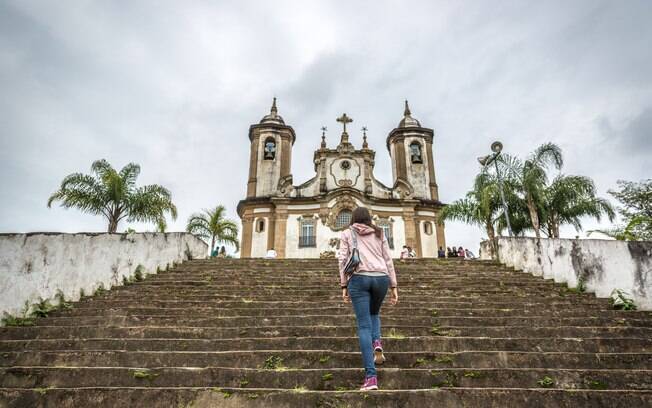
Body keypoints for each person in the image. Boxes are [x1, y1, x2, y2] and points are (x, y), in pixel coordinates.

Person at [338, 207, 398, 391]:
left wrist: (344, 285)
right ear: (369, 218)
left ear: (353, 218)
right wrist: (394, 285)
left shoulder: (347, 233)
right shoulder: (379, 232)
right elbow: (388, 259)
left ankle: (371, 378)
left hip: (359, 277)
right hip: (381, 278)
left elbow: (342, 259)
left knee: (364, 326)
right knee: (374, 313)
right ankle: (377, 342)